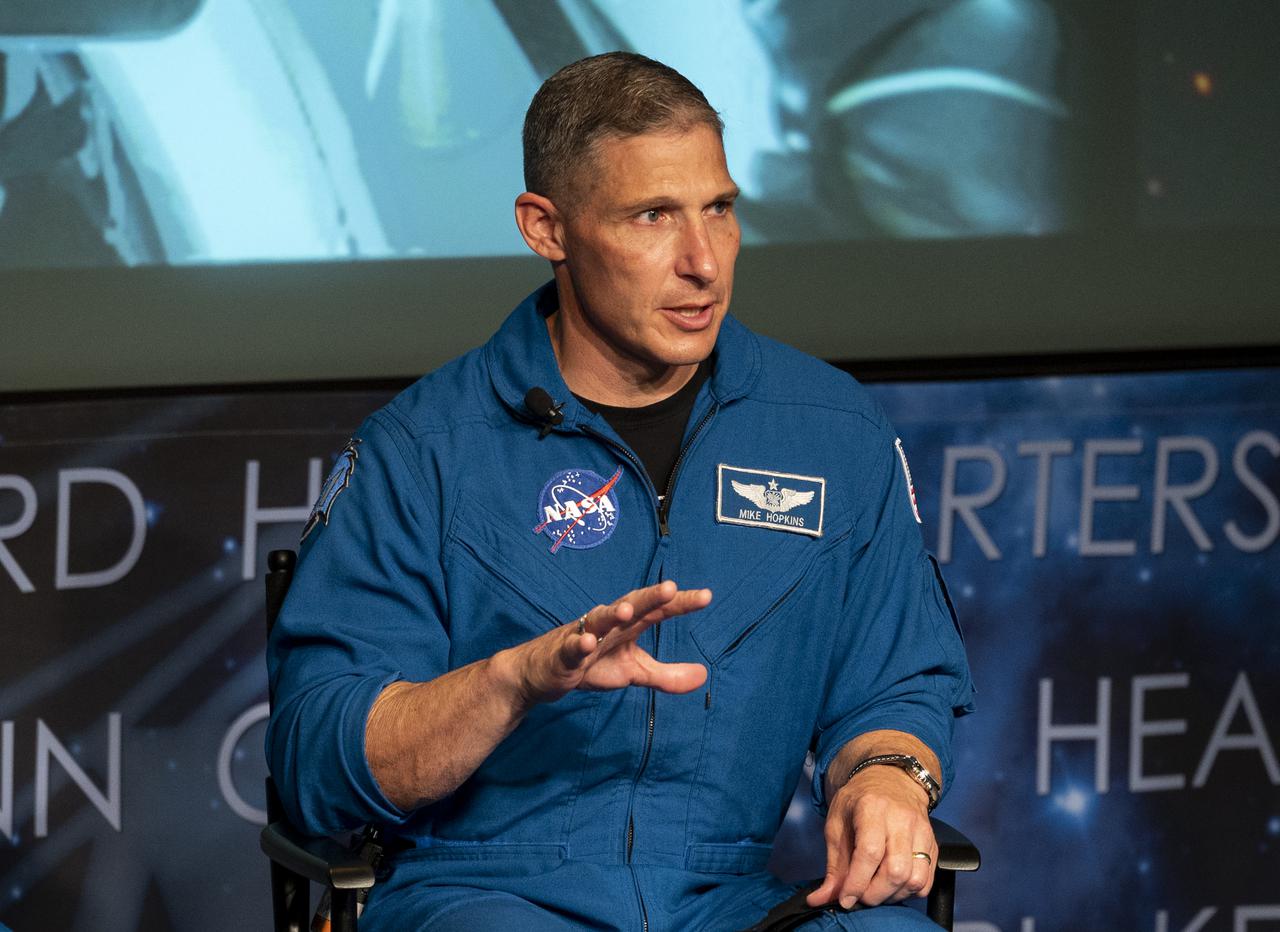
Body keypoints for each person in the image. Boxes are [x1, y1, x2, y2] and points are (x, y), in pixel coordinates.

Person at [266, 51, 974, 931]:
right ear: (546, 228)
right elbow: (317, 764)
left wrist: (887, 774)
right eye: (652, 217)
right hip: (485, 897)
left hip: (731, 899)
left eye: (719, 210)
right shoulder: (424, 451)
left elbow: (896, 682)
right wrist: (515, 680)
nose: (704, 262)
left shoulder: (831, 430)